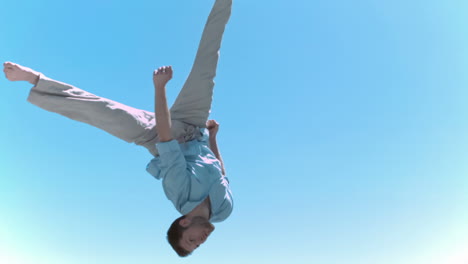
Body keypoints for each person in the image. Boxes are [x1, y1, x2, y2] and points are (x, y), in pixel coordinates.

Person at [2, 0, 233, 257]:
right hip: (195, 126)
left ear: (184, 222)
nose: (200, 241)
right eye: (198, 245)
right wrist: (213, 137)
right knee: (207, 61)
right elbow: (221, 172)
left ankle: (35, 80)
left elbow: (166, 137)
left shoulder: (180, 194)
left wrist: (159, 88)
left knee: (104, 112)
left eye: (191, 241)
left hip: (158, 135)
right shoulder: (224, 210)